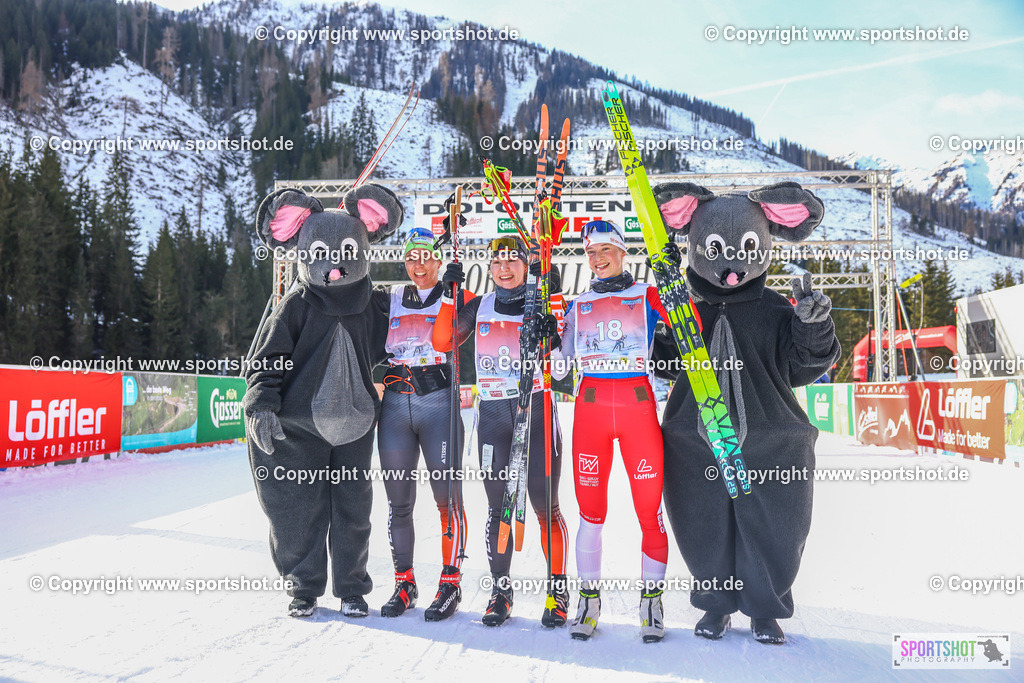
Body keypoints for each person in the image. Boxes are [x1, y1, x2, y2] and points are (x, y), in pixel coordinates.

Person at [433, 236, 568, 627]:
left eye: (512, 260)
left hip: (536, 411)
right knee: (499, 508)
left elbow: (561, 366)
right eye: (497, 262)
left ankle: (557, 592)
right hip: (493, 416)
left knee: (545, 506)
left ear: (526, 265)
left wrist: (554, 323)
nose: (504, 268)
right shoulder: (479, 306)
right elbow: (442, 341)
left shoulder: (541, 302)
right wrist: (449, 296)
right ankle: (501, 591)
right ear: (489, 267)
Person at [552, 220, 671, 643]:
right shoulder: (577, 305)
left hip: (639, 410)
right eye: (591, 252)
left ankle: (652, 602)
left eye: (606, 249)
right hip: (591, 413)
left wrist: (675, 283)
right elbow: (560, 369)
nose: (598, 258)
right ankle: (588, 600)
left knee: (649, 513)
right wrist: (550, 337)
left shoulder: (647, 295)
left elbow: (687, 328)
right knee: (591, 514)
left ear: (623, 252)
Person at [376, 227, 468, 621]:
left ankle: (450, 584)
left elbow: (470, 327)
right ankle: (404, 583)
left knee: (447, 499)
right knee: (398, 502)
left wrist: (455, 293)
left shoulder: (457, 294)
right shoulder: (391, 298)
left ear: (438, 259)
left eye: (426, 256)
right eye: (411, 257)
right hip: (396, 406)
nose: (419, 264)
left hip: (438, 404)